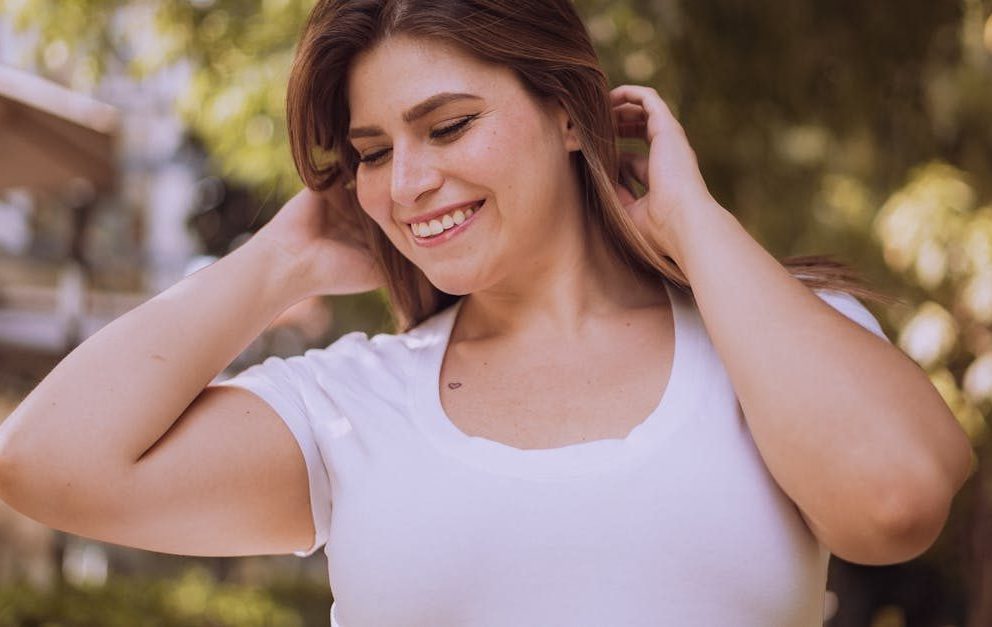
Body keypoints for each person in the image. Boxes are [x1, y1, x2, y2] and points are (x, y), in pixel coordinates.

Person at [0, 1, 973, 625]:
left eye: (449, 125)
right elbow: (46, 464)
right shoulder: (353, 404)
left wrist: (691, 217)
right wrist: (271, 265)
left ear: (565, 111)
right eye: (373, 152)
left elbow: (894, 505)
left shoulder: (776, 342)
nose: (409, 182)